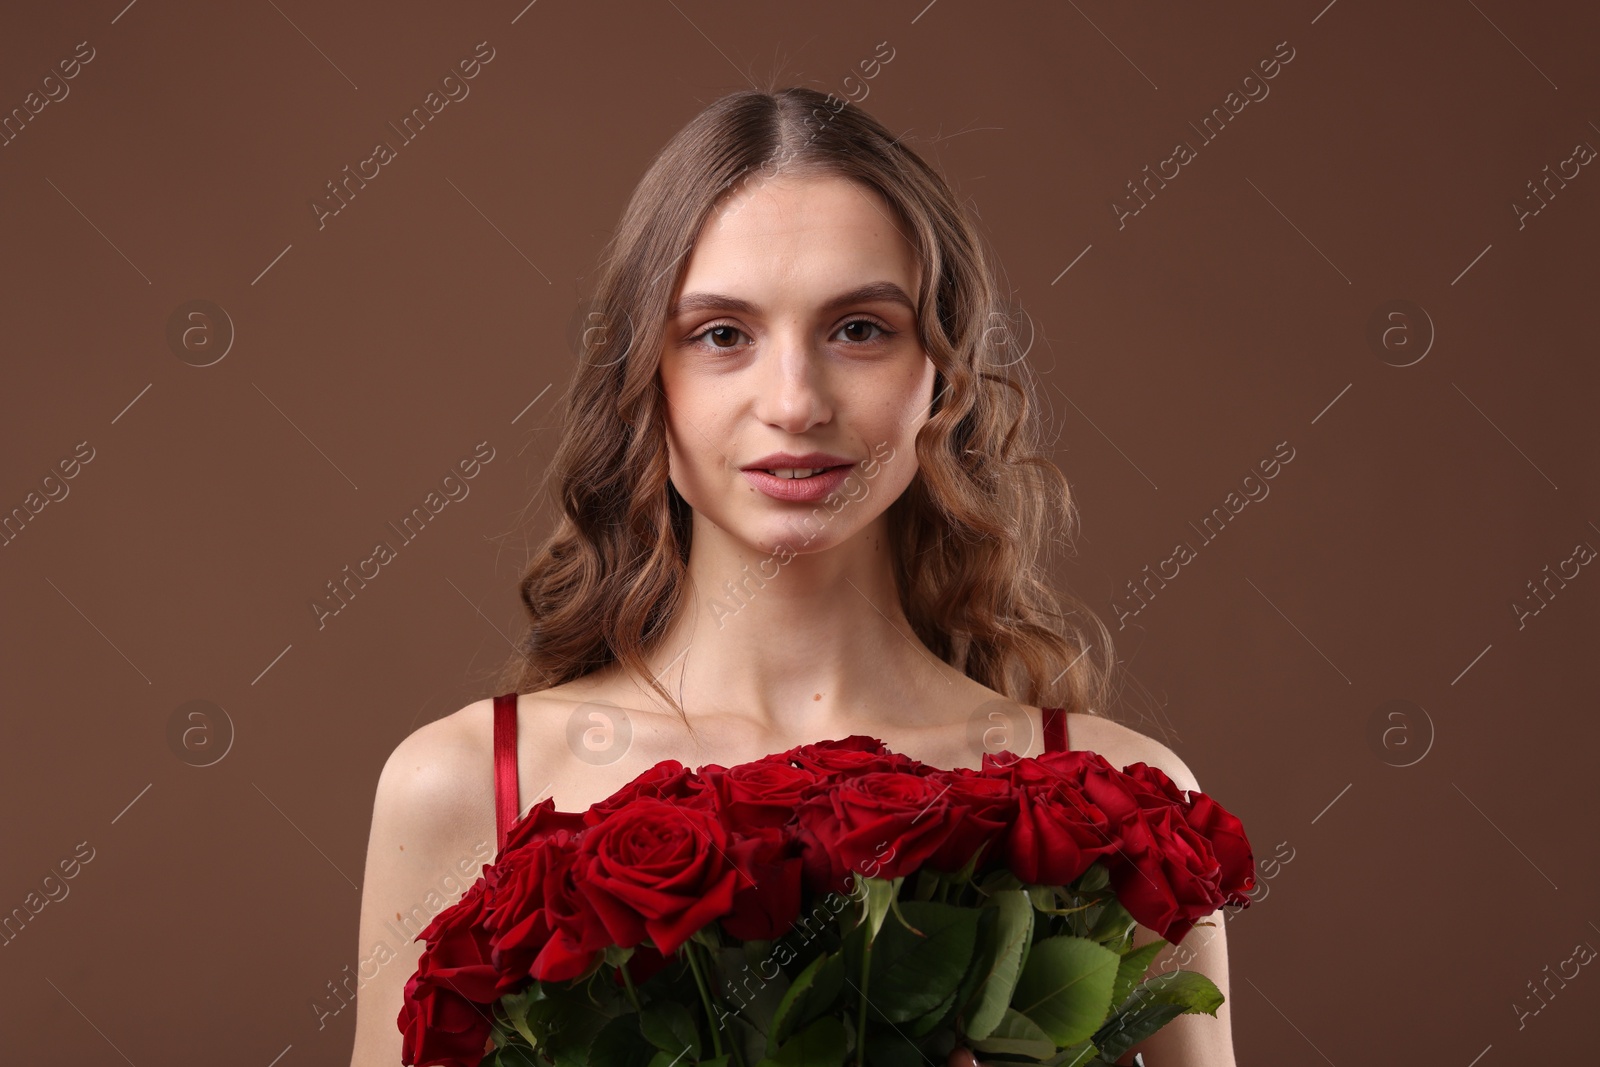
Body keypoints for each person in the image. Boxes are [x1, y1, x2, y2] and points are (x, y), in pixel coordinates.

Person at [349, 86, 1235, 1066]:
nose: (794, 401)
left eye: (858, 328)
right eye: (722, 334)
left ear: (939, 375)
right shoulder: (464, 784)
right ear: (646, 380)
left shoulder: (1122, 803)